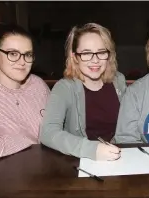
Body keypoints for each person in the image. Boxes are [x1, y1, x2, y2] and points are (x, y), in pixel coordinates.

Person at [40, 23, 127, 161]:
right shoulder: (64, 88)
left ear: (108, 55)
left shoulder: (119, 81)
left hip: (119, 156)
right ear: (75, 57)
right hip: (80, 162)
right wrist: (93, 150)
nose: (95, 60)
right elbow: (47, 133)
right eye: (86, 53)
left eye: (101, 52)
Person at [0, 24, 50, 162]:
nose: (22, 62)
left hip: (46, 171)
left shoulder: (38, 85)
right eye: (12, 54)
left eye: (28, 55)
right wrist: (22, 142)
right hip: (6, 178)